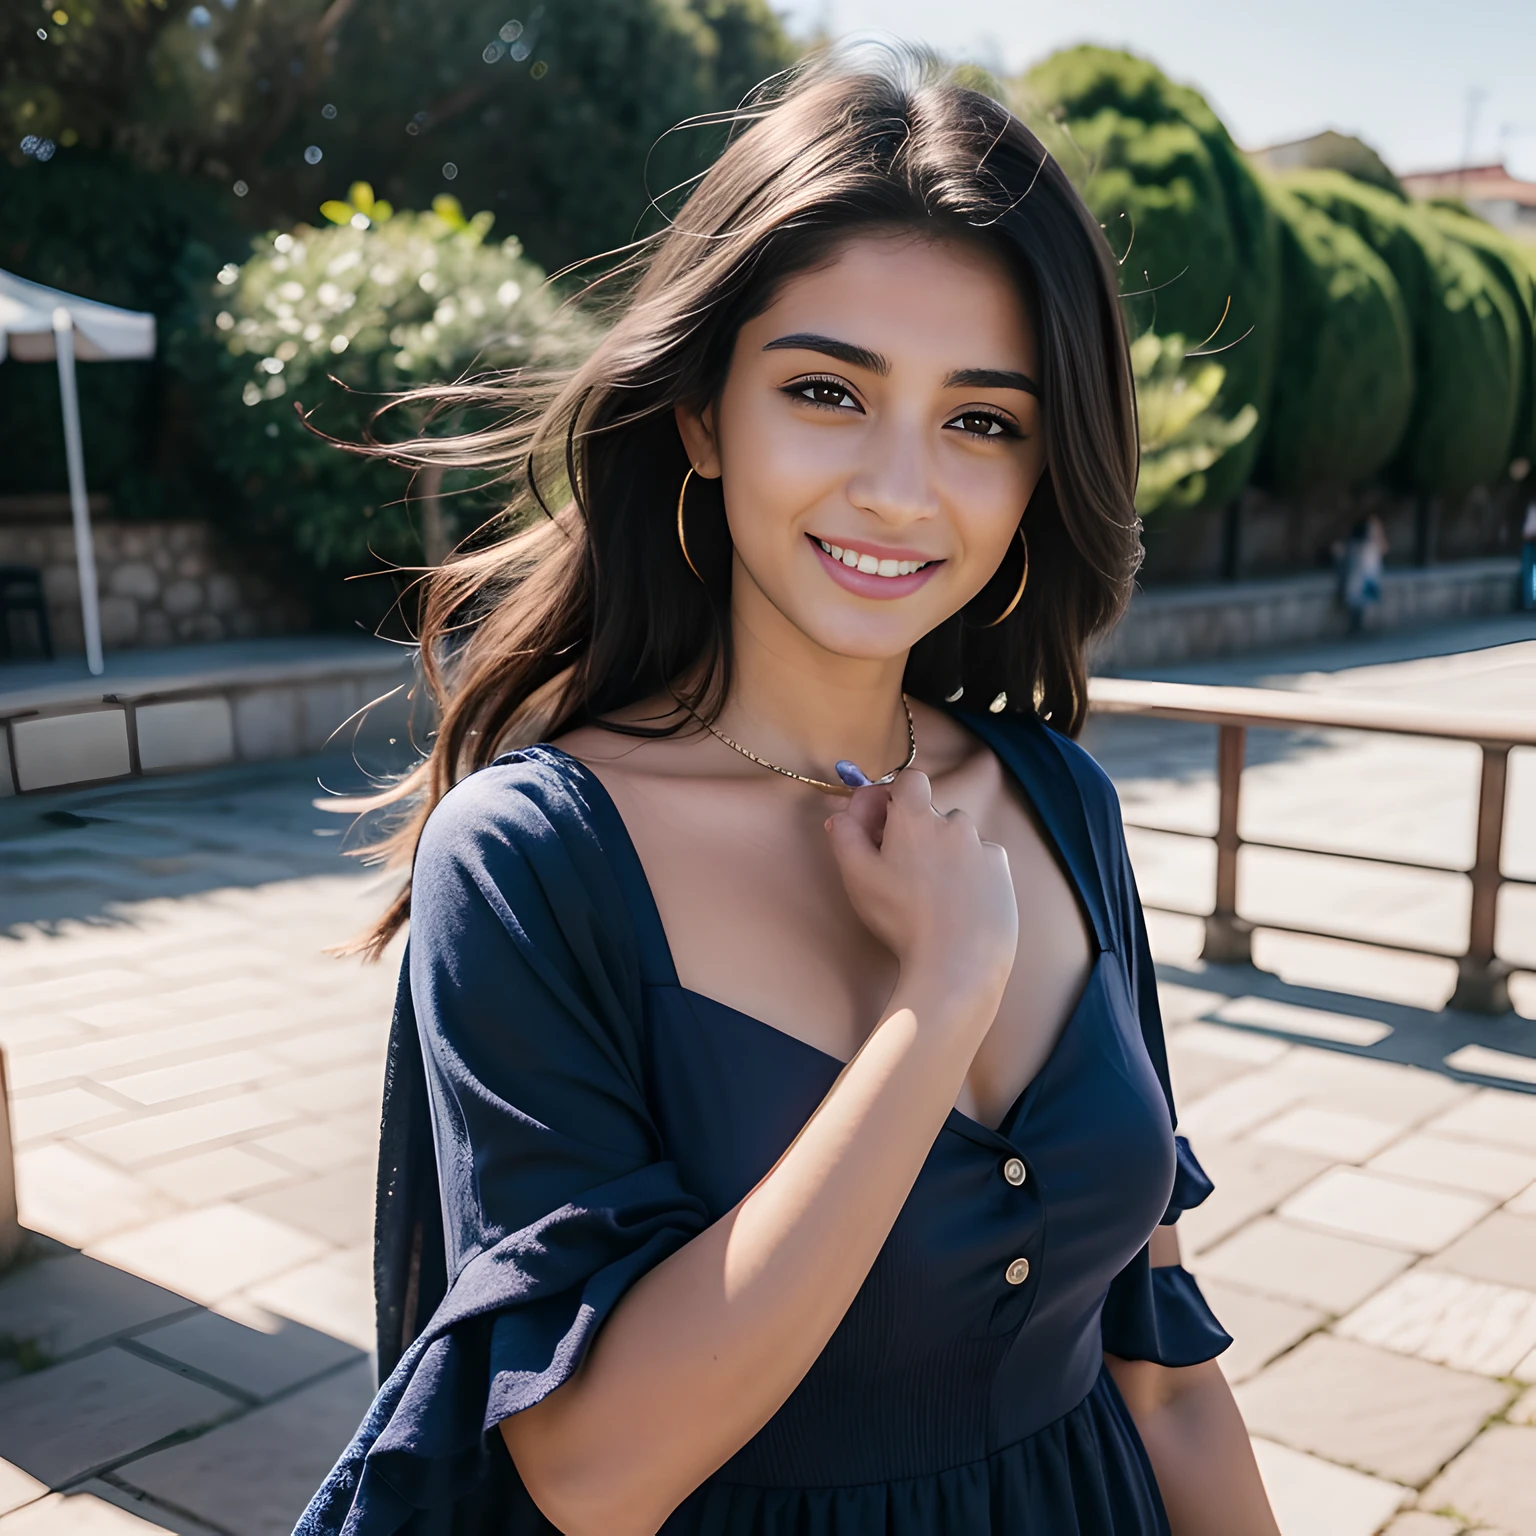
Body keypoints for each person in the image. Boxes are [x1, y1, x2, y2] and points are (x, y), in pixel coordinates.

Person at [298, 55, 1279, 1536]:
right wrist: (935, 1001)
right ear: (702, 418)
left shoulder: (1058, 803)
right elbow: (593, 1467)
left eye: (981, 421)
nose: (899, 489)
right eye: (827, 391)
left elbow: (1168, 1373)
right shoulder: (531, 860)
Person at [1340, 513, 1388, 634]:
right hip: (1361, 575)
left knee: (1366, 602)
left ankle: (1362, 626)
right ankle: (1357, 626)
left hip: (1369, 575)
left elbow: (1384, 549)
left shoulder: (1371, 543)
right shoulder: (1359, 542)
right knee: (1358, 600)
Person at [1521, 498, 1536, 611]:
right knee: (1529, 572)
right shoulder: (1531, 506)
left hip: (1531, 540)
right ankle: (1530, 601)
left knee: (1529, 572)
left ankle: (1530, 602)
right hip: (1529, 541)